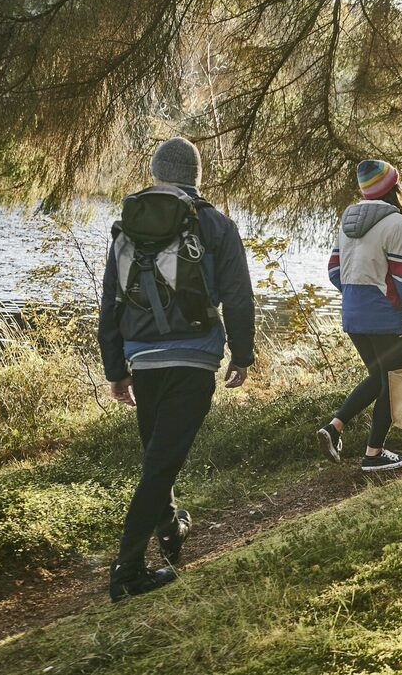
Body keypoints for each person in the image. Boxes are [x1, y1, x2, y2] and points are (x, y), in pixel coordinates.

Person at [97, 136, 255, 603]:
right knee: (160, 464)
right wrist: (242, 355)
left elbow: (110, 302)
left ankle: (170, 529)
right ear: (195, 175)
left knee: (157, 460)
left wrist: (115, 368)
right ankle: (127, 571)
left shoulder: (130, 224)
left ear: (156, 173)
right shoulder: (215, 224)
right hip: (193, 361)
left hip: (142, 360)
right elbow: (239, 297)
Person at [317, 160, 402, 473]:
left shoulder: (348, 218)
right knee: (393, 385)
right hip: (383, 318)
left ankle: (334, 427)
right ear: (393, 188)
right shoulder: (396, 224)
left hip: (354, 315)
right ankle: (374, 453)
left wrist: (358, 296)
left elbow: (333, 270)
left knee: (379, 378)